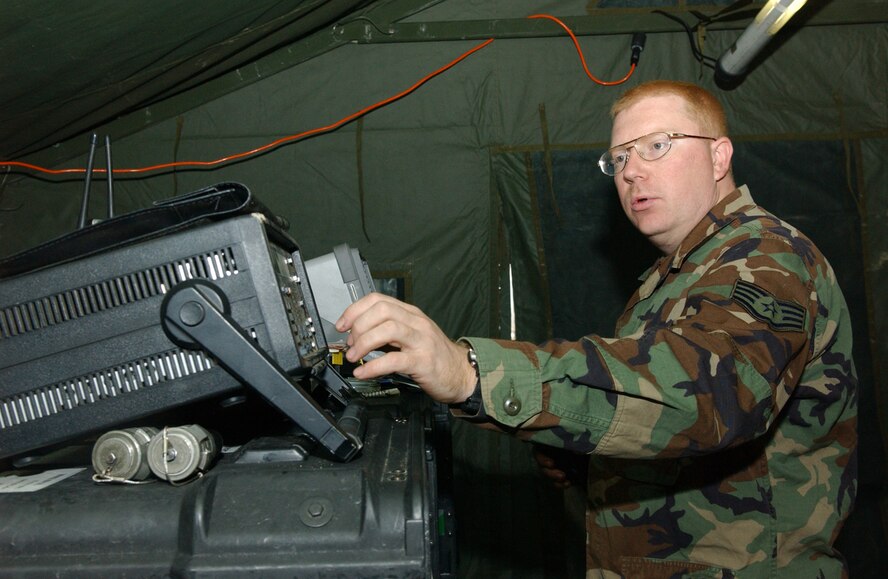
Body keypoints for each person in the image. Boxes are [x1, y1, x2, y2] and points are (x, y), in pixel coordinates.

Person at [336, 80, 858, 577]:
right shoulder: (674, 276)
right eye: (622, 158)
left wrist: (470, 373)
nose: (632, 172)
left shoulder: (766, 255)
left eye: (657, 145)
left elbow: (708, 395)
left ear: (719, 156)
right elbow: (671, 434)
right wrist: (586, 462)